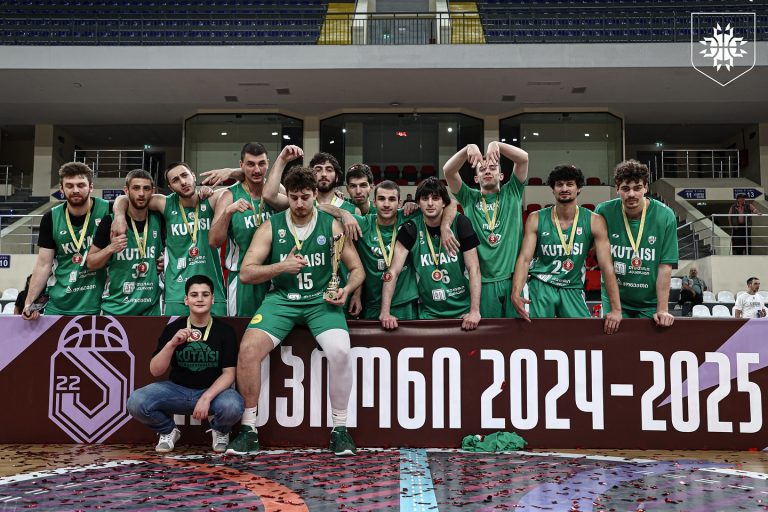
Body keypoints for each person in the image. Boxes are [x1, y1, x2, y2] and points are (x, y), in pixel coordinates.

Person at [226, 167, 365, 456]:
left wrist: (346, 289)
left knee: (340, 351)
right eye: (293, 197)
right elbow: (246, 273)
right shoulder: (271, 226)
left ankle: (340, 429)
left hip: (320, 301)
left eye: (305, 197)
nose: (299, 203)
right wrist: (281, 267)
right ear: (286, 196)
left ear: (315, 195)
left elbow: (357, 270)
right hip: (282, 299)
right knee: (248, 350)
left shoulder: (331, 225)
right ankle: (248, 429)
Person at [126, 275, 243, 453]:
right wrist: (171, 344)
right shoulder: (174, 328)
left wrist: (206, 398)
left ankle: (221, 430)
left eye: (205, 294)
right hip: (177, 390)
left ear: (213, 299)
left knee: (233, 405)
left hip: (212, 393)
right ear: (186, 300)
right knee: (136, 401)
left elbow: (229, 374)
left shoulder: (225, 331)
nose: (200, 299)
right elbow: (155, 370)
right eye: (194, 295)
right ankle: (168, 431)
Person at [511, 165, 622, 334]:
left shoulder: (594, 221)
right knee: (535, 334)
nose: (564, 189)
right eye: (559, 184)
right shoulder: (536, 218)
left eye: (570, 184)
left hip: (572, 286)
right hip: (541, 284)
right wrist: (516, 292)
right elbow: (524, 259)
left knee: (583, 336)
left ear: (579, 188)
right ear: (553, 189)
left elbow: (606, 266)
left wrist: (616, 309)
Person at [112, 162, 227, 316]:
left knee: (216, 332)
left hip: (213, 292)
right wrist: (119, 217)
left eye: (185, 175)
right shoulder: (165, 203)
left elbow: (238, 187)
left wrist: (230, 172)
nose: (183, 182)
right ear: (171, 187)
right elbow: (126, 198)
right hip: (176, 293)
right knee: (177, 332)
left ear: (193, 176)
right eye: (175, 180)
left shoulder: (211, 199)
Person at [208, 143, 300, 317]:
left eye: (261, 163)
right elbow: (214, 241)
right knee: (242, 328)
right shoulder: (229, 196)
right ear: (241, 165)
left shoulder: (277, 190)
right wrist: (228, 213)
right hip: (243, 280)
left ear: (268, 164)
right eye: (250, 164)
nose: (257, 170)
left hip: (277, 275)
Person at [379, 177, 481, 330]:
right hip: (429, 313)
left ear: (444, 202)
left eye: (436, 198)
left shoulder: (461, 223)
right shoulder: (410, 229)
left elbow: (474, 269)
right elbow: (393, 271)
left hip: (463, 311)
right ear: (418, 203)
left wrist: (474, 311)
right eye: (425, 198)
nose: (430, 203)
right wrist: (385, 312)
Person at [443, 141, 528, 318]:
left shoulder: (512, 192)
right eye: (482, 169)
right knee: (488, 333)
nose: (487, 171)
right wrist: (467, 149)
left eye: (492, 168)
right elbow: (448, 171)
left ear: (501, 176)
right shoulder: (469, 197)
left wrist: (497, 145)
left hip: (514, 280)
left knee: (518, 332)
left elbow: (523, 159)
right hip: (482, 282)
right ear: (476, 179)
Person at [594, 160, 678, 326]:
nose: (631, 194)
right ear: (617, 189)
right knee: (615, 340)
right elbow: (601, 261)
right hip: (615, 300)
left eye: (637, 188)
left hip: (649, 302)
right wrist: (615, 308)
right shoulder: (603, 212)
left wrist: (662, 309)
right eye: (625, 188)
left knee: (648, 342)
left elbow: (665, 266)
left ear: (646, 188)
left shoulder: (665, 216)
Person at [23, 162, 110, 319]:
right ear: (61, 189)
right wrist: (29, 301)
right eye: (69, 185)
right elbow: (43, 265)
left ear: (91, 187)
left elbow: (132, 202)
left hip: (98, 304)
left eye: (81, 185)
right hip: (59, 304)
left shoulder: (108, 210)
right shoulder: (50, 218)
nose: (75, 190)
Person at [87, 169, 164, 315]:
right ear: (126, 190)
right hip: (117, 309)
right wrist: (111, 248)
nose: (141, 193)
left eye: (146, 188)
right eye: (136, 188)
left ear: (152, 191)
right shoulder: (110, 221)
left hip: (150, 309)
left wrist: (165, 259)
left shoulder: (159, 219)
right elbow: (91, 263)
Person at [351, 180, 419, 320]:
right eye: (381, 199)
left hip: (404, 303)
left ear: (399, 203)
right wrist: (344, 214)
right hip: (372, 304)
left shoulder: (408, 217)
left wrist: (416, 205)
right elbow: (321, 210)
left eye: (392, 199)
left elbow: (449, 204)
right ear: (374, 203)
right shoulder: (364, 223)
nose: (386, 204)